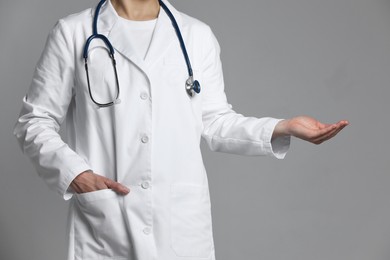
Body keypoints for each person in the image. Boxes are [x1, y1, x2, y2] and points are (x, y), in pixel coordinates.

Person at [13, 0, 348, 259]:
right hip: (107, 220)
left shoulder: (195, 36)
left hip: (180, 222)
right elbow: (34, 121)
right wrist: (77, 175)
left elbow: (216, 121)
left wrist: (281, 127)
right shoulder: (73, 33)